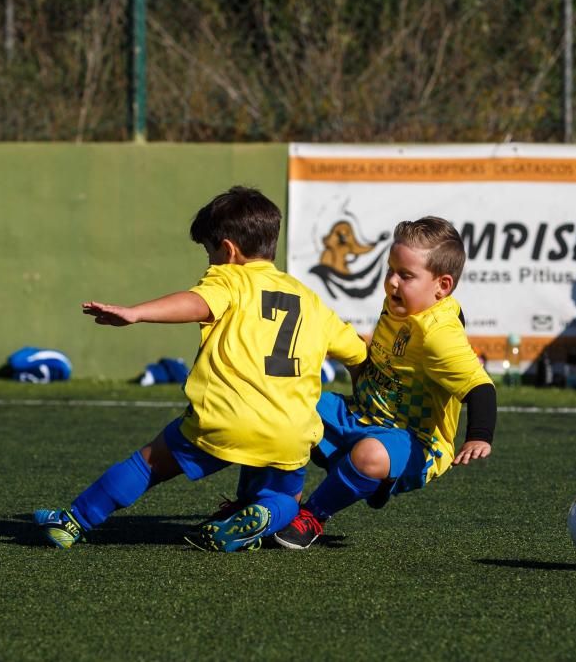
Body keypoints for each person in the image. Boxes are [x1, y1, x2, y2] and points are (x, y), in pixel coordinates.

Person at [33, 186, 368, 552]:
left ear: (228, 249)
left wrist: (136, 313)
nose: (209, 262)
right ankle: (267, 514)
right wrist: (364, 398)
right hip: (291, 428)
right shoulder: (309, 299)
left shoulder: (229, 278)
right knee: (286, 496)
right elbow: (357, 354)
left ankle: (75, 520)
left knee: (147, 465)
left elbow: (196, 303)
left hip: (224, 417)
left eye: (209, 252)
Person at [271, 216, 497, 550]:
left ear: (442, 286)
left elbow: (480, 386)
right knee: (283, 403)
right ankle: (270, 507)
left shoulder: (438, 336)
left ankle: (313, 516)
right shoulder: (402, 302)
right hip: (362, 413)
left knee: (370, 455)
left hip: (415, 440)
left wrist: (479, 436)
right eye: (390, 270)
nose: (392, 282)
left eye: (405, 275)